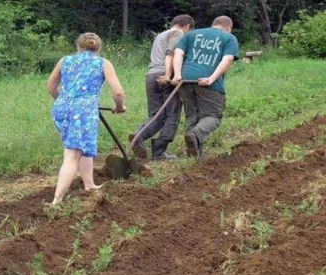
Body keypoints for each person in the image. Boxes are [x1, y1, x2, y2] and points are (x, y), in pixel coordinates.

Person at [47, 33, 126, 205]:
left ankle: (89, 184)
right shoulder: (102, 63)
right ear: (98, 48)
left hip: (61, 108)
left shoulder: (65, 61)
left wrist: (66, 101)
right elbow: (118, 93)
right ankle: (56, 200)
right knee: (73, 153)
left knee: (82, 145)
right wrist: (119, 107)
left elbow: (51, 86)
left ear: (78, 46)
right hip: (83, 112)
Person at [172, 16, 239, 160]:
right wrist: (211, 79)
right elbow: (227, 59)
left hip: (185, 80)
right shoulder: (229, 37)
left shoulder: (191, 34)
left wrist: (177, 75)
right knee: (213, 116)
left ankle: (194, 155)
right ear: (229, 27)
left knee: (192, 116)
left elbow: (178, 53)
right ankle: (195, 136)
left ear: (213, 25)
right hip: (208, 83)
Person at [128, 15, 194, 161]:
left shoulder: (161, 35)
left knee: (156, 115)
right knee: (172, 115)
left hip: (151, 75)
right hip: (164, 76)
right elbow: (170, 53)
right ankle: (159, 152)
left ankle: (138, 136)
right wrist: (168, 74)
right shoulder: (178, 33)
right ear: (187, 26)